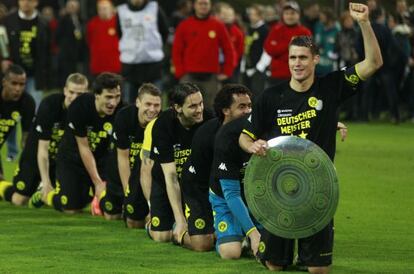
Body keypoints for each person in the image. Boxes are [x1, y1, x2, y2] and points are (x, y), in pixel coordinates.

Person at [239, 3, 382, 273]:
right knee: (274, 266)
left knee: (318, 270)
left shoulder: (331, 87)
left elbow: (373, 63)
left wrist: (364, 23)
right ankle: (266, 250)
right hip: (277, 187)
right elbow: (245, 138)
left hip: (317, 188)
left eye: (303, 58)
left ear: (315, 59)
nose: (297, 64)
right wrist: (252, 144)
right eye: (293, 58)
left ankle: (309, 253)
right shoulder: (270, 97)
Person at [178, 84, 252, 251]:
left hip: (236, 189)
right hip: (202, 189)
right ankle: (179, 232)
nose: (248, 111)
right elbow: (197, 180)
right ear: (226, 110)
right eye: (242, 107)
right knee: (203, 244)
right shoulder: (205, 135)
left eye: (249, 106)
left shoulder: (254, 131)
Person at [0, 73, 88, 206]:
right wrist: (46, 183)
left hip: (60, 159)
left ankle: (42, 192)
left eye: (80, 94)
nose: (75, 97)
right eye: (72, 92)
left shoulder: (85, 110)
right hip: (35, 155)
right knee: (20, 200)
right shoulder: (50, 105)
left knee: (68, 198)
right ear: (65, 90)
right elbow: (42, 148)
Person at [44, 73, 123, 213]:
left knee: (112, 210)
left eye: (117, 97)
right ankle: (47, 196)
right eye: (109, 97)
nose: (113, 103)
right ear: (97, 95)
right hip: (72, 160)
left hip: (101, 160)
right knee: (71, 208)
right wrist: (98, 183)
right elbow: (84, 148)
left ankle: (90, 196)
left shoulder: (122, 110)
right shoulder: (79, 107)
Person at [146, 83, 212, 243]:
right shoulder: (163, 125)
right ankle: (153, 225)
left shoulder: (210, 120)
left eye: (201, 103)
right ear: (178, 108)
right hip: (165, 182)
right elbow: (171, 176)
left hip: (196, 184)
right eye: (193, 106)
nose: (200, 109)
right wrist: (181, 220)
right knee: (162, 237)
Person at [99, 83, 161, 227]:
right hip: (119, 173)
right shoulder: (124, 117)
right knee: (112, 216)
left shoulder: (161, 122)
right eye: (148, 104)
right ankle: (101, 198)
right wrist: (129, 193)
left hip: (144, 174)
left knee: (134, 223)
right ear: (138, 102)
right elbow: (122, 157)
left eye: (156, 105)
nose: (152, 109)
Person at [172, 0, 234, 110]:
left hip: (211, 77)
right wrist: (180, 72)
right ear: (194, 5)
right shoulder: (184, 25)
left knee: (212, 110)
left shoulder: (218, 25)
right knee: (186, 109)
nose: (203, 6)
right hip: (189, 76)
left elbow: (229, 49)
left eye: (206, 3)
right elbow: (177, 50)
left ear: (210, 6)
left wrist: (227, 71)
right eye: (200, 3)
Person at [117, 0, 169, 103]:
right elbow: (120, 33)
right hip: (130, 68)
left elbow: (164, 31)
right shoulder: (121, 11)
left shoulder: (154, 8)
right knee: (129, 106)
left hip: (153, 66)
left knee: (154, 104)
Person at [0, 65, 35, 196]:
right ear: (4, 82)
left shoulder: (27, 102)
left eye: (22, 84)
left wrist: (28, 170)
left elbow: (27, 138)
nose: (18, 89)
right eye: (14, 83)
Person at [263, 1, 311, 87]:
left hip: (297, 76)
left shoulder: (305, 32)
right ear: (282, 15)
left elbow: (304, 54)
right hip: (276, 76)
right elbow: (269, 49)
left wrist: (279, 50)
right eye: (287, 13)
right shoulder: (276, 29)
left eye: (292, 13)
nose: (289, 16)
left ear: (298, 15)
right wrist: (289, 43)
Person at [86, 0, 121, 77]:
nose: (102, 11)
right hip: (97, 68)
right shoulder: (92, 24)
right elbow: (88, 41)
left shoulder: (119, 22)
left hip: (116, 67)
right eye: (99, 9)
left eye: (105, 8)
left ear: (112, 8)